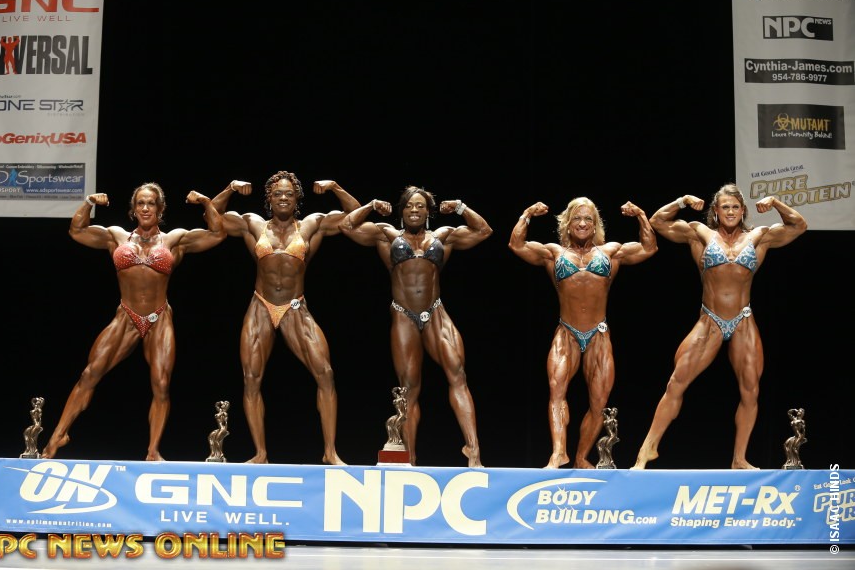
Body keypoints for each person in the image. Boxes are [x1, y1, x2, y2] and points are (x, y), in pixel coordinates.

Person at [42, 183, 226, 461]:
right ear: (133, 209)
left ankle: (153, 451)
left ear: (160, 209)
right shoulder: (117, 236)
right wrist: (89, 202)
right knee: (90, 373)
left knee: (161, 384)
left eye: (151, 203)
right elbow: (76, 230)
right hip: (126, 315)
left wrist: (205, 202)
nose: (145, 208)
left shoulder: (174, 239)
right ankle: (58, 435)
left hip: (158, 317)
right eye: (140, 203)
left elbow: (217, 233)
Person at [632, 184, 807, 469]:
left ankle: (739, 459)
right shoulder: (700, 233)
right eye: (725, 207)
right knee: (676, 383)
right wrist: (682, 200)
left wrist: (775, 202)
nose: (730, 211)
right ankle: (646, 450)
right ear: (716, 210)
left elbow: (798, 225)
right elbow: (658, 222)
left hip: (743, 320)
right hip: (710, 319)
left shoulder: (758, 237)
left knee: (750, 390)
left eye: (735, 207)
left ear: (743, 210)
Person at [210, 173, 360, 465]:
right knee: (251, 379)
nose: (283, 198)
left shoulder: (311, 224)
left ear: (296, 199)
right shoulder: (253, 224)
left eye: (289, 194)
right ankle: (260, 453)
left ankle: (330, 452)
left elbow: (353, 216)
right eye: (278, 193)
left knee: (325, 373)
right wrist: (229, 188)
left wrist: (335, 187)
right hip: (261, 306)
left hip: (295, 307)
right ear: (269, 197)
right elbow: (212, 216)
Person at [340, 187, 492, 467]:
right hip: (404, 315)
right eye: (410, 205)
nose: (414, 210)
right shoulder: (387, 234)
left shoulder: (442, 236)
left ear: (428, 212)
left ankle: (474, 452)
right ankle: (409, 458)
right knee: (409, 387)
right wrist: (371, 205)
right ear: (402, 210)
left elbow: (483, 231)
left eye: (420, 206)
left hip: (435, 312)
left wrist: (460, 207)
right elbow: (347, 226)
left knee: (457, 373)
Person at [509, 198, 657, 468]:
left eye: (588, 219)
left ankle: (580, 457)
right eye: (577, 218)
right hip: (566, 333)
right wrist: (528, 213)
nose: (582, 223)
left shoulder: (610, 252)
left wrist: (640, 214)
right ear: (567, 224)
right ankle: (558, 452)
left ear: (595, 225)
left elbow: (649, 247)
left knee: (599, 402)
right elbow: (516, 244)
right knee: (556, 391)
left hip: (599, 334)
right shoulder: (554, 253)